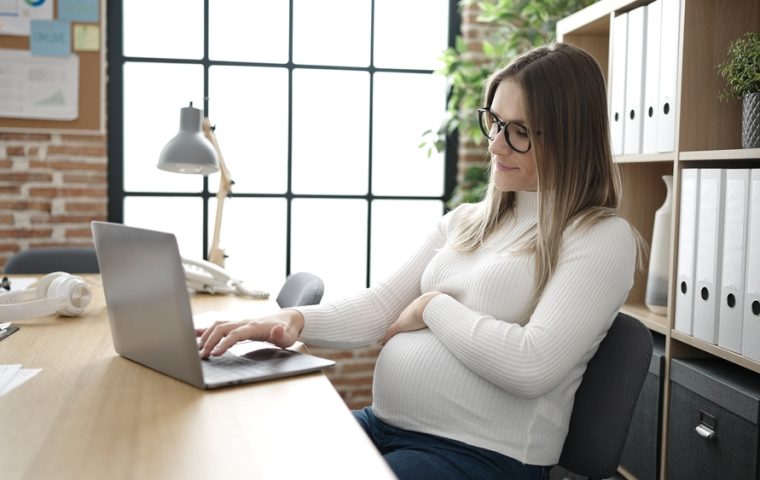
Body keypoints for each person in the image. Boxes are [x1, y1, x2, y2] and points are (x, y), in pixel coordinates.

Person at [198, 42, 641, 480]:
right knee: (248, 455)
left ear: (571, 137)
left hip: (482, 457)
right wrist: (292, 319)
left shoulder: (599, 237)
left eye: (520, 132)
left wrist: (432, 307)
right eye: (495, 123)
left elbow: (531, 366)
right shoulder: (467, 221)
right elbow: (379, 308)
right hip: (384, 426)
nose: (496, 147)